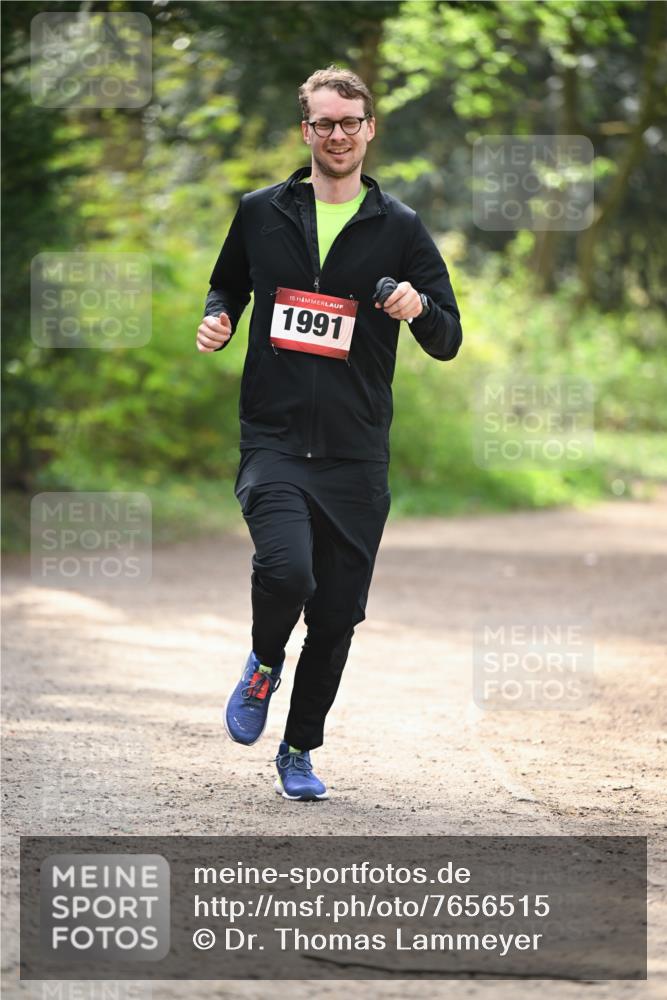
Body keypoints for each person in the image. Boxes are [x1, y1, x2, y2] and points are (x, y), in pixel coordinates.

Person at [196, 66, 462, 802]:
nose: (337, 135)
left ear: (369, 129)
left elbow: (447, 337)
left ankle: (298, 749)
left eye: (349, 122)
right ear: (305, 130)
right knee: (287, 571)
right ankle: (262, 663)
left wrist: (417, 307)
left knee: (337, 616)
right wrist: (219, 317)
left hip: (354, 452)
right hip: (274, 438)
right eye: (323, 123)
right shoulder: (260, 212)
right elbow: (228, 283)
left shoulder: (400, 227)